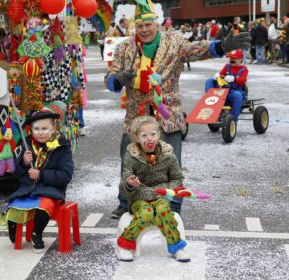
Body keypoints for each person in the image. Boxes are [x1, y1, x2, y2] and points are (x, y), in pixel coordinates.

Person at [105, 0, 251, 219]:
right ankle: (125, 201)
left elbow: (197, 50)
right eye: (140, 26)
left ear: (157, 24)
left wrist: (223, 46)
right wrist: (117, 79)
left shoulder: (174, 42)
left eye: (148, 25)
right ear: (135, 26)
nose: (144, 30)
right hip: (136, 117)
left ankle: (173, 207)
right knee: (129, 162)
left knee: (172, 164)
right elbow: (110, 78)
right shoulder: (124, 48)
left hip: (168, 115)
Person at [0, 110, 74, 253]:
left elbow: (66, 175)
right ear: (31, 129)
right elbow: (16, 172)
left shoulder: (62, 146)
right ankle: (13, 226)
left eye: (44, 129)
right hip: (28, 187)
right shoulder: (26, 144)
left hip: (51, 189)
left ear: (54, 129)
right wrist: (24, 163)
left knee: (44, 205)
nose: (40, 132)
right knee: (14, 203)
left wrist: (41, 175)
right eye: (36, 129)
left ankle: (36, 234)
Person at [116, 116, 189, 262]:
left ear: (159, 135)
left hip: (160, 197)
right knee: (146, 213)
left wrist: (161, 190)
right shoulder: (131, 156)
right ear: (137, 138)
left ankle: (176, 246)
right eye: (144, 135)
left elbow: (177, 179)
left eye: (153, 134)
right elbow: (124, 186)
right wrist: (130, 184)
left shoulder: (168, 154)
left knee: (163, 211)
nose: (149, 139)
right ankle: (125, 245)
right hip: (138, 199)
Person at [205, 49, 248, 122]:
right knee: (209, 80)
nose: (231, 60)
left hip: (234, 92)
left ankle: (233, 119)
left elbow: (242, 81)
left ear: (240, 59)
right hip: (223, 91)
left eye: (234, 58)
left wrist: (234, 79)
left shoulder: (244, 69)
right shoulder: (227, 66)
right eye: (230, 58)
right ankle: (210, 100)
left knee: (237, 95)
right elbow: (221, 75)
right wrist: (217, 76)